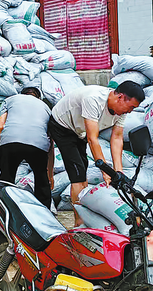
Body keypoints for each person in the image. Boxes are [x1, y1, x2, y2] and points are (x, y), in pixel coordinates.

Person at [48, 82, 144, 225]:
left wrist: (118, 171)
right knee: (77, 175)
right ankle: (79, 223)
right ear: (120, 97)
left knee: (83, 170)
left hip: (79, 129)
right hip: (62, 126)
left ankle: (84, 216)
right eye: (131, 107)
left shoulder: (121, 111)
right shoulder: (93, 99)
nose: (130, 112)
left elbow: (117, 138)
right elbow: (92, 139)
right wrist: (105, 170)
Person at [0, 87, 54, 209]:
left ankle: (3, 209)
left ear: (21, 94)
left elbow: (1, 126)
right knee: (41, 179)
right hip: (38, 143)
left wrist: (4, 146)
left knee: (6, 177)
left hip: (10, 140)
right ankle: (44, 211)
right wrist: (49, 175)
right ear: (39, 98)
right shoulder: (46, 107)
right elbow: (50, 140)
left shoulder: (10, 100)